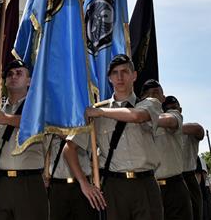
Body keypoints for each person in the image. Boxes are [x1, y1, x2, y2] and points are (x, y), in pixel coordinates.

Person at [68, 53, 162, 220]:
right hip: (114, 187)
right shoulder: (96, 111)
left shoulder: (149, 103)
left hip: (145, 184)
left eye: (125, 72)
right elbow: (69, 149)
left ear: (134, 76)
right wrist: (84, 184)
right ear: (109, 78)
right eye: (114, 73)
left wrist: (100, 112)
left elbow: (137, 116)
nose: (119, 77)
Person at [0, 59, 48, 220]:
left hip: (28, 183)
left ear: (29, 81)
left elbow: (35, 125)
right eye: (9, 74)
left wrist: (4, 119)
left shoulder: (39, 108)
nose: (13, 76)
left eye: (19, 73)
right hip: (0, 183)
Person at [139, 85, 192, 220]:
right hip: (150, 187)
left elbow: (169, 121)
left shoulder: (172, 115)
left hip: (174, 186)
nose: (152, 97)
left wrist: (142, 117)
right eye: (148, 94)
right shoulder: (136, 121)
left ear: (163, 98)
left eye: (156, 92)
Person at [162, 95, 205, 220]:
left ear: (180, 110)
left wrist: (173, 127)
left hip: (187, 178)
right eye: (168, 110)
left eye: (174, 108)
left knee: (194, 214)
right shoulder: (161, 132)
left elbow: (199, 130)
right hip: (167, 181)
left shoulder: (190, 129)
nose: (171, 112)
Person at [53, 132, 98, 220]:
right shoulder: (49, 121)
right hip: (56, 185)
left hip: (82, 187)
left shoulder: (80, 121)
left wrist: (56, 130)